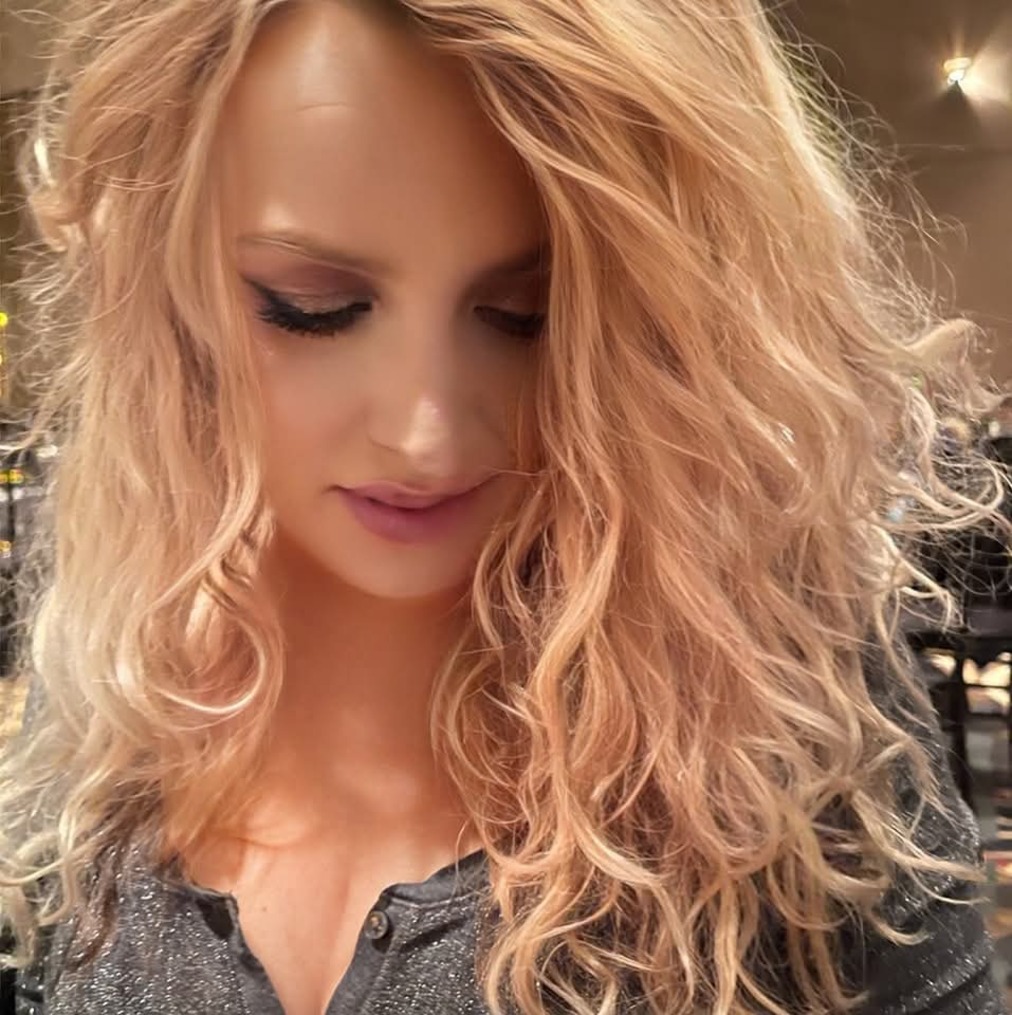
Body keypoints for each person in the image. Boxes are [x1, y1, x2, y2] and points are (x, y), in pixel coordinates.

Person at [0, 1, 1008, 1012]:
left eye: (528, 315)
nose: (425, 435)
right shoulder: (118, 682)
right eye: (311, 308)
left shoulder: (771, 716)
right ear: (168, 287)